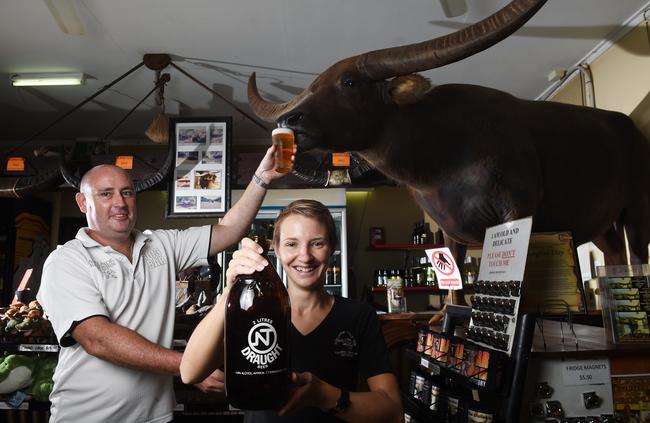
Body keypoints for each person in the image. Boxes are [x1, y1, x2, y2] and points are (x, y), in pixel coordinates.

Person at [37, 144, 290, 423]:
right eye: (106, 194)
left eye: (127, 192)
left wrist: (261, 178)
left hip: (157, 416)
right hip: (86, 417)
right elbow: (97, 338)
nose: (120, 203)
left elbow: (229, 231)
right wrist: (190, 366)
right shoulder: (66, 260)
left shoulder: (161, 244)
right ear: (83, 203)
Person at [180, 199, 403, 422]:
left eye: (317, 243)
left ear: (332, 247)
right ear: (276, 249)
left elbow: (393, 412)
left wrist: (326, 396)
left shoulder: (359, 316)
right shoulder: (252, 312)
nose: (304, 256)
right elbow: (190, 372)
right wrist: (231, 291)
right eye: (291, 244)